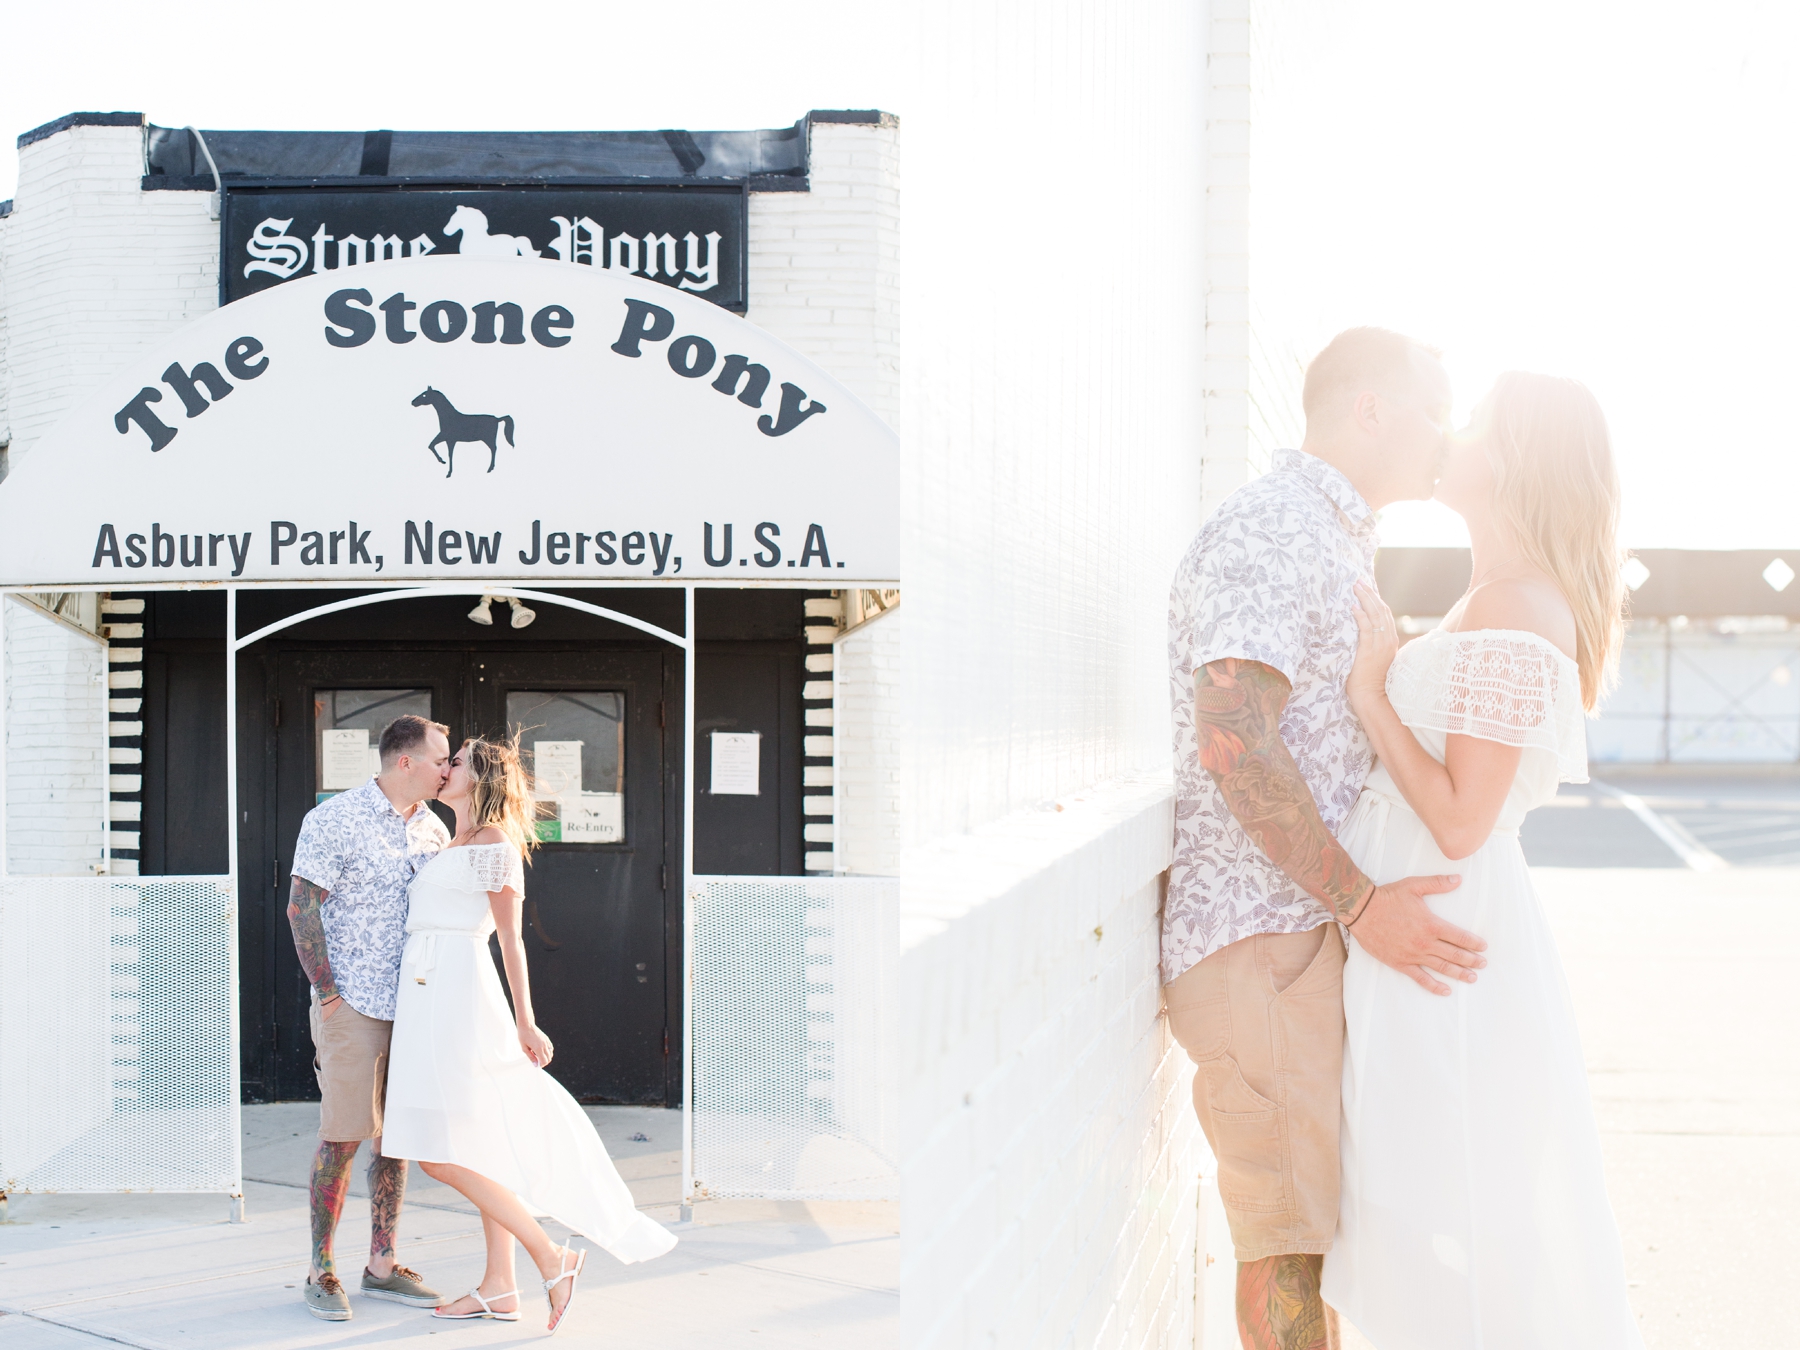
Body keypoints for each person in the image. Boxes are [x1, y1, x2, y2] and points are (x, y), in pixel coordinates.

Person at [1164, 327, 1490, 1349]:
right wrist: (1357, 902)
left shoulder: (1331, 535)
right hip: (1264, 950)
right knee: (1289, 1253)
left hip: (1298, 947)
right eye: (1437, 409)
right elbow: (1232, 739)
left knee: (1317, 1246)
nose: (1451, 436)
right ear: (1371, 410)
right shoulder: (1275, 532)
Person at [1320, 373, 1642, 1346]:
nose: (1452, 436)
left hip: (1442, 927)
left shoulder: (1512, 606)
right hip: (1430, 924)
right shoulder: (1493, 597)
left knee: (1439, 1196)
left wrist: (1374, 693)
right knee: (1426, 1194)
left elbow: (1463, 817)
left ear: (1512, 463)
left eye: (1476, 426)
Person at [380, 735, 677, 1333]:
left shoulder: (493, 844)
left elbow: (510, 939)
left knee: (438, 1153)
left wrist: (524, 1019)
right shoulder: (446, 838)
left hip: (457, 995)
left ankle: (551, 1257)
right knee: (477, 1141)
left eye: (454, 762)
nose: (444, 769)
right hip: (425, 991)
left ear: (480, 777)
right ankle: (501, 1286)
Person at [287, 713, 453, 1321]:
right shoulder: (333, 819)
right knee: (344, 1134)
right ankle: (320, 1270)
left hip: (414, 1005)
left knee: (397, 1138)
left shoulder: (435, 831)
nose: (447, 768)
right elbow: (302, 908)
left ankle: (382, 1264)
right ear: (404, 761)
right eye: (440, 759)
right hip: (352, 1004)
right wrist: (327, 993)